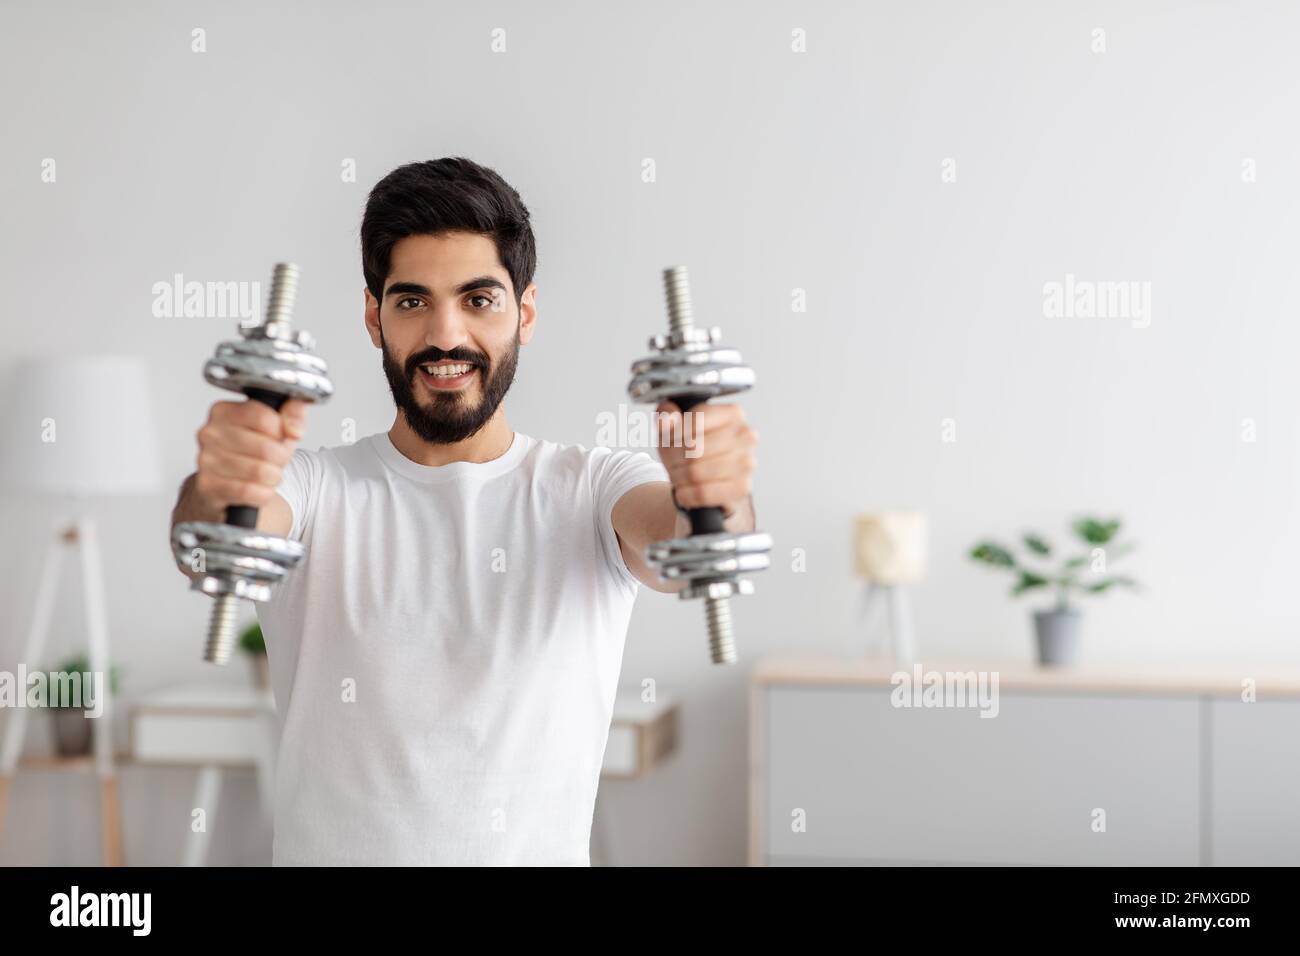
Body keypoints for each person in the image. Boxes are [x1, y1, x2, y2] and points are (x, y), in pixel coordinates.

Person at [168, 157, 759, 865]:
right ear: (373, 315)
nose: (445, 335)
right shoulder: (312, 488)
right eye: (412, 301)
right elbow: (213, 537)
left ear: (525, 313)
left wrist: (713, 493)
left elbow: (680, 538)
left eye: (478, 299)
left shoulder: (595, 487)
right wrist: (221, 482)